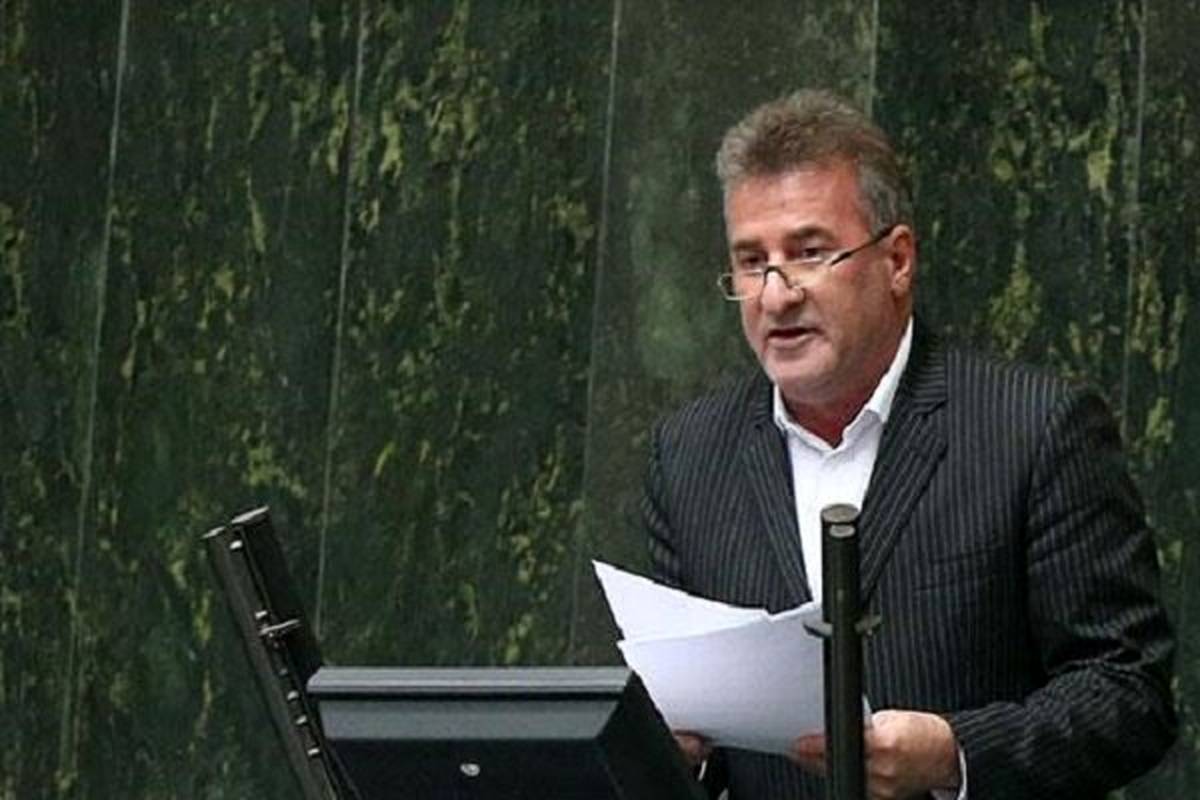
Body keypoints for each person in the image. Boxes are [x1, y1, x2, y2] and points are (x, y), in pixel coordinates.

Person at [641, 89, 1176, 799]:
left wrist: (956, 756)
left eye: (808, 253)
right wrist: (674, 755)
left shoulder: (1034, 429)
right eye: (751, 261)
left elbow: (1129, 693)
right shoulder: (689, 456)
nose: (775, 295)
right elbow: (683, 729)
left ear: (896, 260)